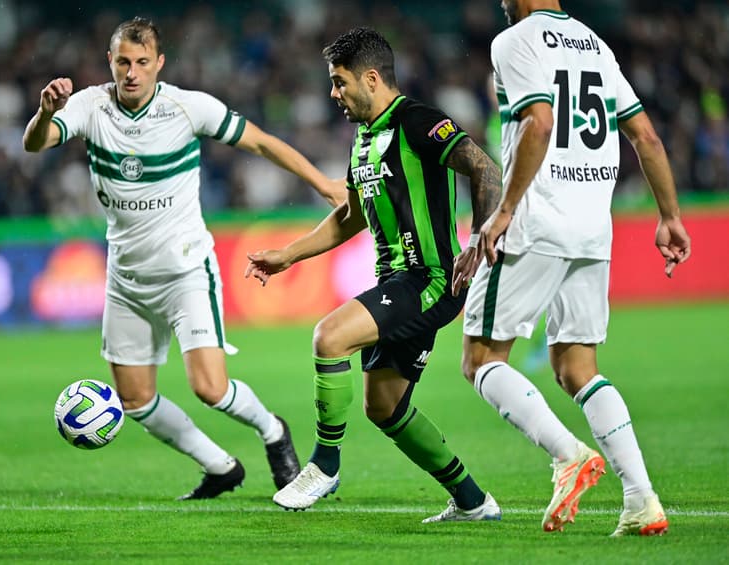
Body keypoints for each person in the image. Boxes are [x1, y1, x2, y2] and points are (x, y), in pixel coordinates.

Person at [23, 17, 345, 500]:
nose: (131, 72)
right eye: (123, 62)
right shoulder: (89, 105)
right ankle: (220, 467)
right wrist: (46, 112)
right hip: (126, 278)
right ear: (110, 62)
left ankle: (272, 430)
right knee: (134, 399)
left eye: (142, 62)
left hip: (186, 271)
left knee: (211, 388)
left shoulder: (186, 108)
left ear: (159, 64)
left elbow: (259, 140)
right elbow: (35, 143)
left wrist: (322, 183)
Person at [246, 27, 503, 522]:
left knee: (330, 337)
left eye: (340, 83)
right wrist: (290, 254)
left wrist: (477, 241)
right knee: (384, 408)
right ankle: (473, 502)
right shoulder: (364, 137)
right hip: (395, 283)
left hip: (430, 279)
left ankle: (324, 464)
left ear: (370, 77)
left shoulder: (417, 121)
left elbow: (485, 170)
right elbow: (353, 215)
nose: (333, 94)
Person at [456, 0, 691, 536]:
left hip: (537, 221)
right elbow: (647, 137)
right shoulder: (596, 45)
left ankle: (567, 456)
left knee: (481, 359)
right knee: (577, 367)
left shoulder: (514, 40)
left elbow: (539, 123)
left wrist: (505, 210)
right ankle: (641, 498)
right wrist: (670, 216)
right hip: (592, 228)